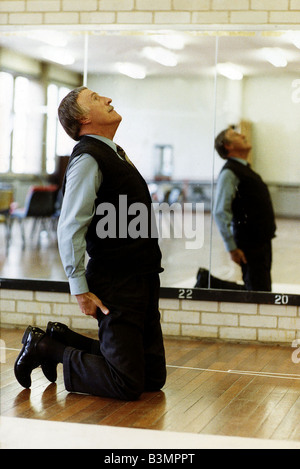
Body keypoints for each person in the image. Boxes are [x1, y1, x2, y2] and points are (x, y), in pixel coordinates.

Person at [14, 86, 166, 400]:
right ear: (82, 119)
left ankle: (61, 338)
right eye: (96, 99)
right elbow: (70, 225)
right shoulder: (87, 158)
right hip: (117, 282)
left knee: (152, 377)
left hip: (143, 277)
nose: (109, 99)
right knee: (126, 383)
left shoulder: (114, 151)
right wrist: (79, 287)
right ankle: (45, 346)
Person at [213, 127, 276, 292]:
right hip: (250, 246)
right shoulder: (229, 173)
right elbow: (220, 211)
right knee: (258, 294)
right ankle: (207, 283)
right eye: (235, 135)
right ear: (228, 146)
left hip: (261, 244)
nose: (242, 135)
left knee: (260, 290)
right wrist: (232, 247)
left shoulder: (245, 170)